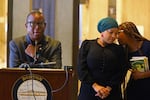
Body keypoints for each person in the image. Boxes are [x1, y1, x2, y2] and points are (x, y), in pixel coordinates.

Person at [77, 17, 127, 100]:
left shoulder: (119, 49)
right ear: (102, 32)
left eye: (116, 33)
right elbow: (81, 68)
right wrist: (96, 86)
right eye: (111, 32)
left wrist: (108, 89)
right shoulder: (87, 45)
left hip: (112, 93)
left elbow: (121, 71)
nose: (114, 36)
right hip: (89, 91)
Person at [118, 22, 150, 100]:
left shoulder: (147, 46)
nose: (116, 36)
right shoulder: (124, 51)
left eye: (118, 33)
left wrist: (143, 75)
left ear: (127, 32)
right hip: (134, 89)